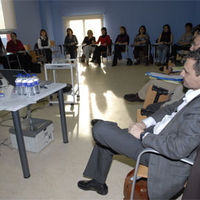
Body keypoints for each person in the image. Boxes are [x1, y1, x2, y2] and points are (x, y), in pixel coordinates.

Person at [78, 49, 200, 199]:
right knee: (104, 135)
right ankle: (98, 181)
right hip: (157, 132)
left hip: (159, 153)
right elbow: (170, 108)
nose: (181, 74)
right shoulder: (194, 93)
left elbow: (177, 149)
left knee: (100, 130)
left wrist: (143, 135)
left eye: (186, 72)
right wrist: (145, 123)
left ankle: (108, 127)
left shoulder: (198, 109)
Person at [123, 34, 200, 103]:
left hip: (180, 86)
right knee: (163, 74)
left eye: (194, 44)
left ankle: (140, 96)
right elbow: (185, 68)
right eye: (191, 44)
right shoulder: (195, 57)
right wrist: (174, 69)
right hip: (181, 81)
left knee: (153, 81)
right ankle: (140, 95)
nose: (191, 48)